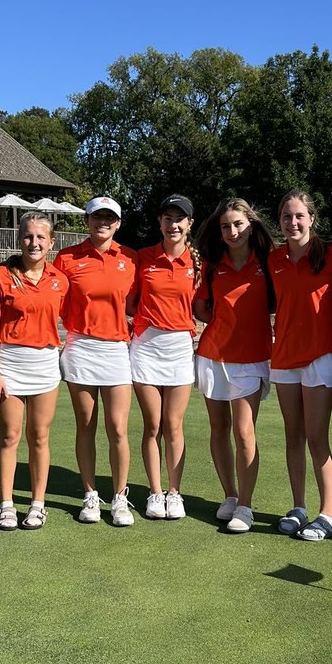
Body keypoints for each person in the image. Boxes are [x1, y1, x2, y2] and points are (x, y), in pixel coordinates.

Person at [0, 212, 69, 531]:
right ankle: (6, 505)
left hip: (45, 364)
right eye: (28, 236)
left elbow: (71, 319)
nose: (34, 242)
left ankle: (38, 505)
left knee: (40, 437)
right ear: (19, 239)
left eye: (41, 237)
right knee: (10, 436)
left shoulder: (60, 280)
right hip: (9, 364)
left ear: (51, 242)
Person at [54, 196, 138, 526]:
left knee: (118, 428)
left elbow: (138, 303)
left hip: (117, 349)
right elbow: (56, 302)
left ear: (117, 223)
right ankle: (90, 495)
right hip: (81, 348)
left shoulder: (130, 258)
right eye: (96, 217)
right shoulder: (67, 257)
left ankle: (119, 498)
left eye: (109, 218)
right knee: (86, 426)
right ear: (87, 220)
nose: (102, 222)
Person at [269, 191, 332, 541]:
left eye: (299, 216)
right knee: (293, 436)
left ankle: (327, 513)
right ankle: (298, 507)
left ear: (311, 218)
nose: (293, 223)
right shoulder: (274, 259)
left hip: (321, 357)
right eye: (287, 217)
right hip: (284, 356)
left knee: (317, 437)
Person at [193, 198, 274, 534]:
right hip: (213, 354)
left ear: (251, 225)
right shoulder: (213, 263)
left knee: (244, 433)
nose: (232, 231)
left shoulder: (269, 262)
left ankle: (246, 506)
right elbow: (201, 307)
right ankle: (229, 495)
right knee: (219, 428)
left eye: (238, 224)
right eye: (226, 226)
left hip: (252, 358)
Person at [127, 194, 198, 519]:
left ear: (189, 225)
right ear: (160, 222)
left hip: (180, 348)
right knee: (153, 424)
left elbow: (203, 307)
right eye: (167, 218)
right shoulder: (143, 257)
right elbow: (129, 301)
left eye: (179, 219)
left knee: (173, 424)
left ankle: (174, 492)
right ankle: (155, 493)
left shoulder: (198, 263)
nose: (173, 224)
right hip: (146, 347)